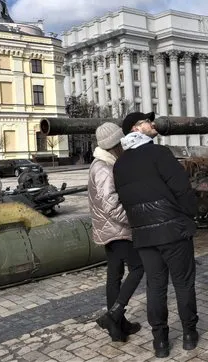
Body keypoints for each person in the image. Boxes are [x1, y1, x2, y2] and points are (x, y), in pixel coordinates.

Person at [113, 112, 199, 358]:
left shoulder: (120, 164)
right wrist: (190, 214)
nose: (153, 124)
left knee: (155, 287)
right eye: (147, 122)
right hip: (173, 230)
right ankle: (189, 335)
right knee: (183, 284)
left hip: (144, 236)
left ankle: (160, 342)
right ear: (136, 128)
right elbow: (182, 188)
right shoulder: (160, 153)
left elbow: (125, 200)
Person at [88, 122, 144, 342]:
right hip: (117, 229)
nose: (124, 145)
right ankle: (114, 315)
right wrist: (134, 220)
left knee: (115, 275)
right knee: (138, 268)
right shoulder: (103, 168)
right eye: (120, 142)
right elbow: (111, 206)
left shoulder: (105, 164)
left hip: (110, 229)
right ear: (113, 144)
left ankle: (117, 326)